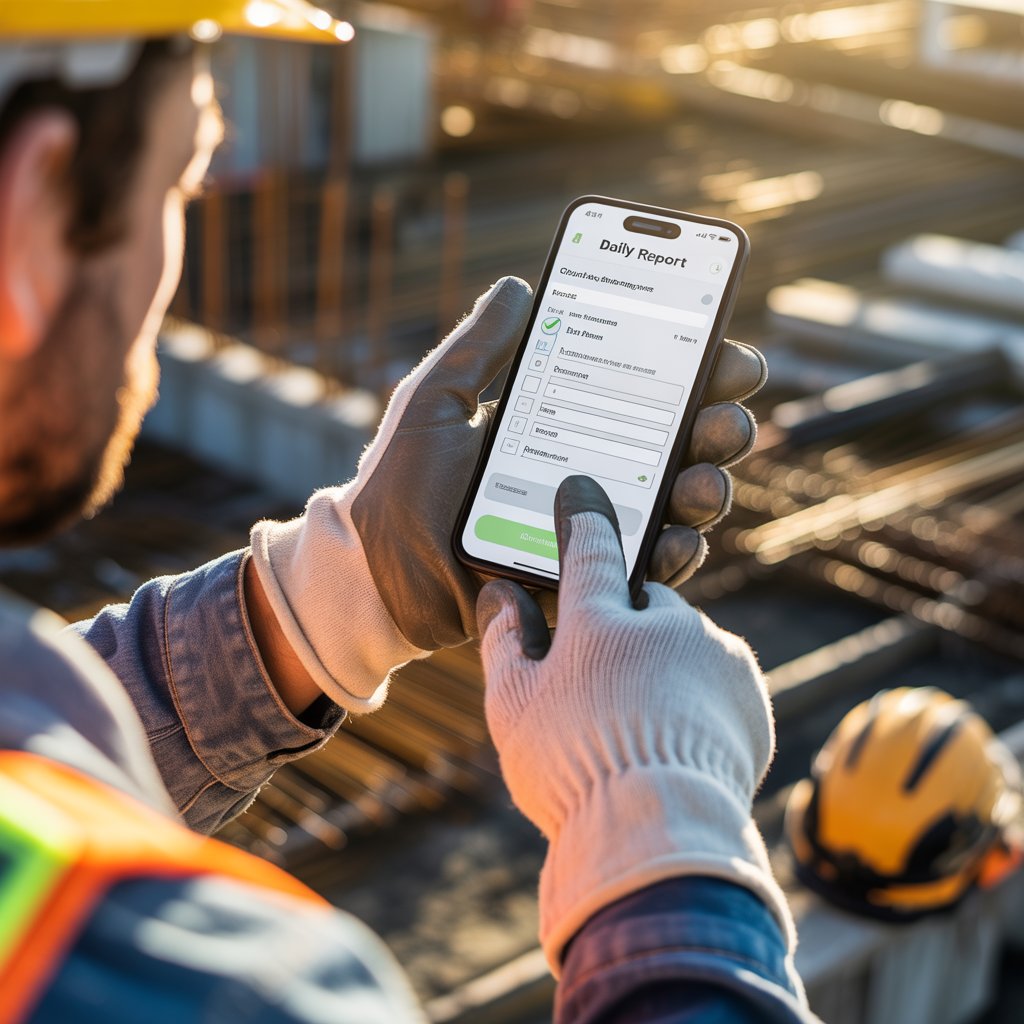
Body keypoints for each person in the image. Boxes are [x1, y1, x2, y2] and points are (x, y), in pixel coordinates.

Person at [0, 3, 815, 1020]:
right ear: (36, 194)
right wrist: (660, 830)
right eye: (185, 180)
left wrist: (332, 601)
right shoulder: (202, 985)